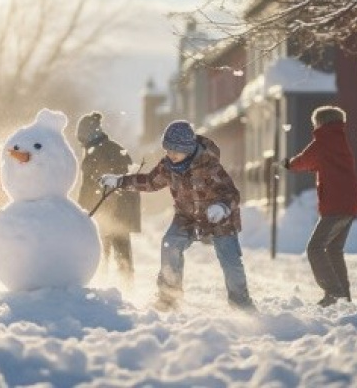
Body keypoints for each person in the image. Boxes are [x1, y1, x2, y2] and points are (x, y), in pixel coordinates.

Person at [100, 120, 255, 311]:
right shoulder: (168, 167)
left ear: (188, 149)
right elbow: (150, 182)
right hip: (187, 217)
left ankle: (241, 302)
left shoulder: (209, 166)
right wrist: (120, 181)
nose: (170, 154)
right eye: (167, 150)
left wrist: (222, 207)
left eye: (175, 150)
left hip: (219, 219)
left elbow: (232, 194)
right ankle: (169, 296)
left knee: (230, 260)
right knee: (170, 244)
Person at [279, 106, 357, 307]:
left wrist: (288, 164)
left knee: (315, 248)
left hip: (336, 206)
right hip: (349, 205)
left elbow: (304, 161)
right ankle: (343, 298)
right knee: (333, 249)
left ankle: (334, 294)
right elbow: (319, 163)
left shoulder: (323, 142)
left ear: (320, 123)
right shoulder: (340, 142)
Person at [76, 111, 141, 287]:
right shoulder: (109, 148)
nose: (81, 143)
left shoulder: (99, 152)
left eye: (81, 138)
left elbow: (91, 187)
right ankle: (124, 286)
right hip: (116, 209)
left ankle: (105, 286)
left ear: (88, 134)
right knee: (120, 254)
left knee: (102, 252)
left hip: (110, 209)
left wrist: (84, 211)